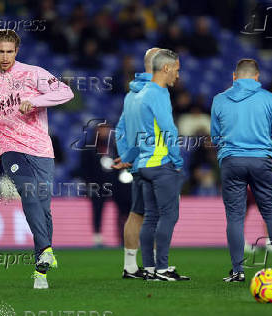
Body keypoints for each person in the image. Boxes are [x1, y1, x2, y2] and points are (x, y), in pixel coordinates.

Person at [0, 29, 73, 289]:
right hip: (8, 147)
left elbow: (66, 93)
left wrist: (35, 100)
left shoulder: (33, 73)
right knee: (28, 191)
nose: (5, 56)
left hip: (40, 148)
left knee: (43, 209)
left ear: (17, 51)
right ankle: (45, 248)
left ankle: (41, 271)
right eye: (1, 51)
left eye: (10, 51)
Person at [210, 58, 272, 282]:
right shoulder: (268, 98)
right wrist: (261, 140)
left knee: (235, 217)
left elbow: (215, 136)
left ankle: (237, 271)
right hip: (261, 161)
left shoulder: (219, 99)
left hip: (231, 161)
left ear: (234, 77)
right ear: (257, 77)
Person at [126, 49, 190, 281]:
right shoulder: (159, 93)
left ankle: (151, 269)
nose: (178, 75)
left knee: (151, 216)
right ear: (165, 68)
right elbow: (168, 129)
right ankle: (162, 269)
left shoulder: (141, 94)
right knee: (168, 216)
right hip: (160, 162)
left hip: (143, 163)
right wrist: (178, 160)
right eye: (176, 69)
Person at [113, 47, 159, 279]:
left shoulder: (132, 94)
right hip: (155, 163)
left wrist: (127, 157)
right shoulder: (155, 93)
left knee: (137, 213)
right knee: (155, 215)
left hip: (139, 163)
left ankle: (130, 266)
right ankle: (154, 267)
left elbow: (120, 128)